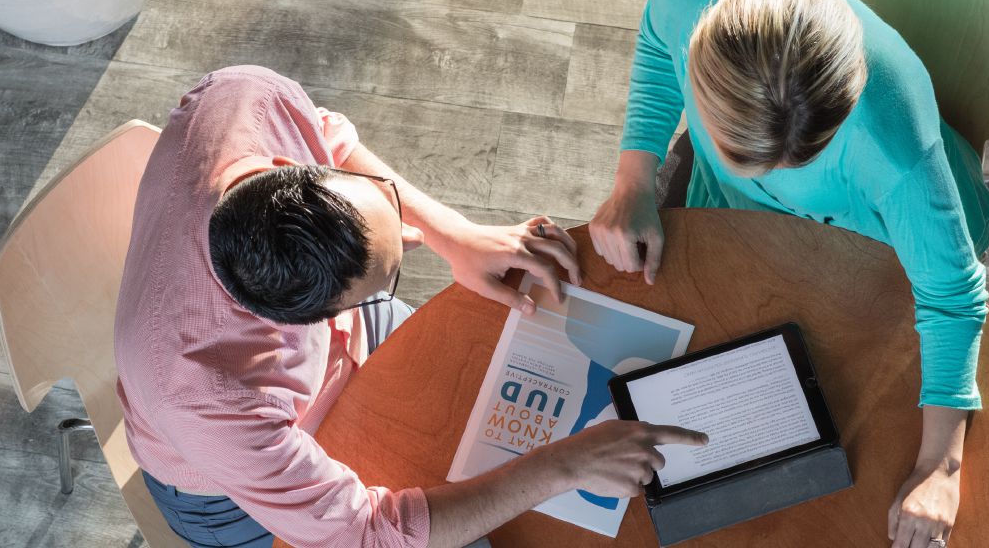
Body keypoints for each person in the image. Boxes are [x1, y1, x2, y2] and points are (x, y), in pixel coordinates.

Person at [114, 66, 708, 548]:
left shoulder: (246, 97)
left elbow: (330, 137)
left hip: (333, 365)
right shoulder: (207, 396)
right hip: (234, 495)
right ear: (309, 322)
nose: (414, 239)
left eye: (383, 204)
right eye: (391, 276)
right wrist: (561, 468)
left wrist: (454, 233)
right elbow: (368, 535)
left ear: (293, 171)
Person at [589, 0, 989, 548]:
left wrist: (942, 467)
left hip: (873, 251)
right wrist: (632, 181)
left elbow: (953, 295)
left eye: (793, 162)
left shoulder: (892, 134)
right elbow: (657, 43)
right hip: (735, 225)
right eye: (745, 158)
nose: (766, 180)